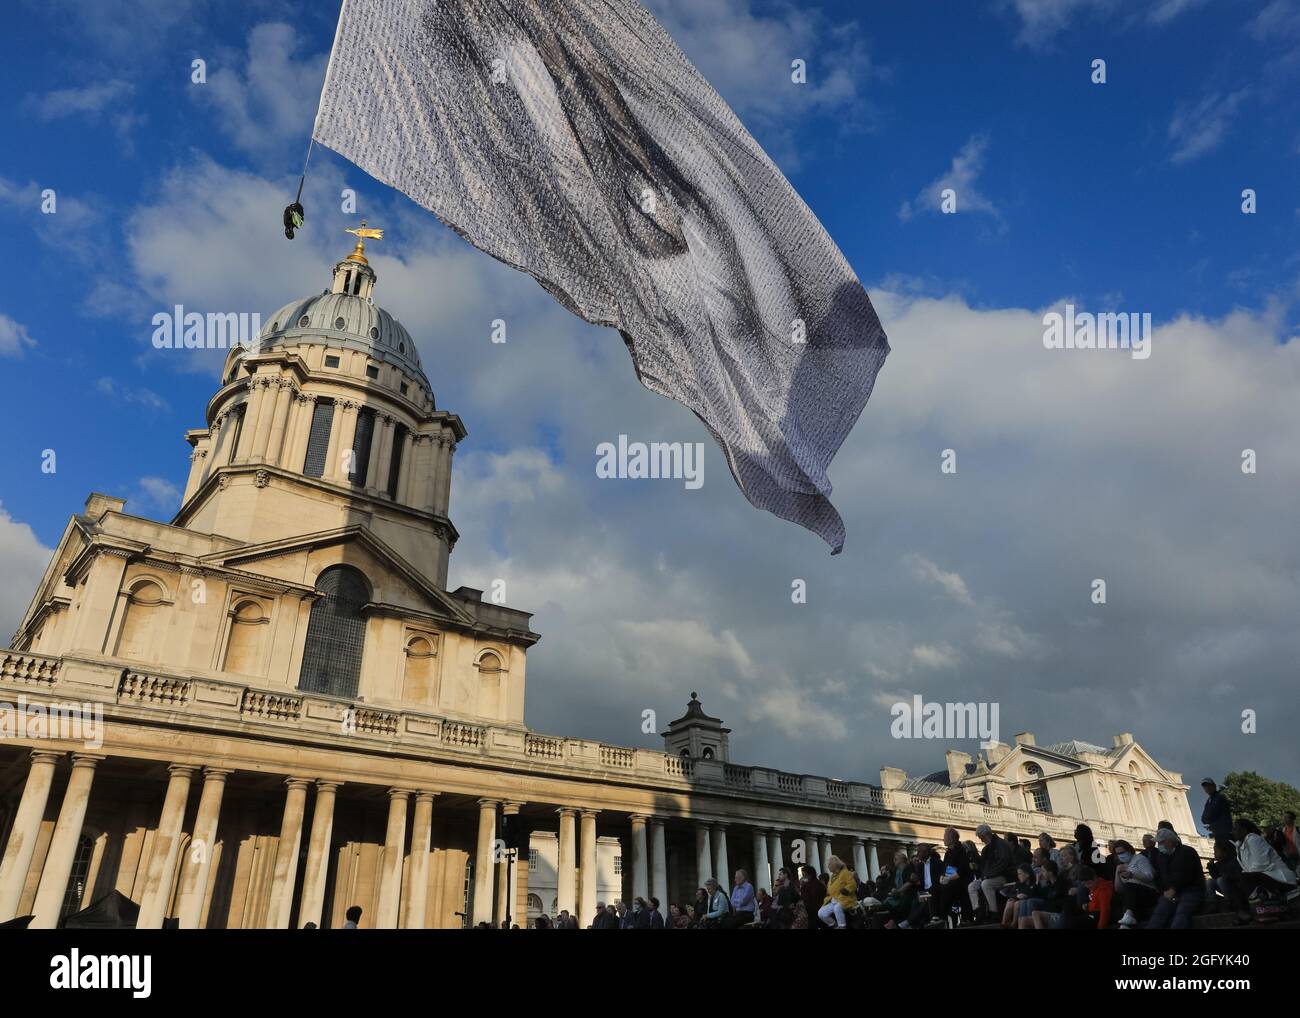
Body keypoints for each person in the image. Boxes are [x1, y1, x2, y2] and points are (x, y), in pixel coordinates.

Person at [1227, 818, 1297, 920]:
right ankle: (1244, 911)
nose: (1232, 831)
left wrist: (1244, 877)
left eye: (1235, 828)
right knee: (1233, 880)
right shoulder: (1239, 846)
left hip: (1280, 879)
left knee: (1243, 878)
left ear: (1245, 830)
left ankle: (1245, 912)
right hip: (1265, 879)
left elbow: (1261, 864)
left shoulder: (1253, 839)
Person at [1145, 828, 1205, 929]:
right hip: (1170, 892)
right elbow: (1159, 876)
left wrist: (1173, 890)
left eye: (1161, 842)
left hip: (1191, 890)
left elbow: (1186, 875)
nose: (1158, 845)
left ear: (1169, 841)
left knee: (1182, 913)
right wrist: (1165, 891)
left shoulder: (1187, 851)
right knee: (1158, 914)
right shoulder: (1162, 856)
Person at [969, 824, 1014, 921]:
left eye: (981, 837)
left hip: (1002, 876)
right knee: (972, 886)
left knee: (986, 884)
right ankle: (978, 912)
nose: (980, 839)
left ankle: (994, 912)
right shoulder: (985, 849)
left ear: (985, 834)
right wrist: (977, 867)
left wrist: (988, 875)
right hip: (988, 876)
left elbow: (1003, 862)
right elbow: (983, 866)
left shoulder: (1001, 844)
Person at [1112, 839, 1159, 928]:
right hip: (1134, 897)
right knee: (1122, 893)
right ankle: (1126, 922)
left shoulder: (1139, 859)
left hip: (1149, 892)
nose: (1120, 855)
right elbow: (1119, 889)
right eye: (1118, 854)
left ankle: (1128, 915)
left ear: (1129, 850)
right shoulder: (1122, 866)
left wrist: (1132, 875)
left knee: (1129, 886)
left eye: (1122, 852)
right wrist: (1117, 873)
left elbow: (1150, 876)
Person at [818, 855, 857, 929]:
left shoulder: (845, 872)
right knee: (821, 913)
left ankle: (842, 926)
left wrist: (846, 890)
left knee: (837, 908)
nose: (828, 867)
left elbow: (853, 884)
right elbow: (830, 888)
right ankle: (834, 925)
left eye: (829, 865)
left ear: (834, 865)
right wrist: (828, 893)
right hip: (833, 900)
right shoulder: (832, 876)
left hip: (845, 899)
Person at [999, 863, 1036, 928]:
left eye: (1020, 874)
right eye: (1018, 874)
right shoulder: (1018, 884)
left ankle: (1014, 924)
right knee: (1010, 902)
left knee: (1017, 904)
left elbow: (1034, 894)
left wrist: (1025, 896)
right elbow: (1011, 894)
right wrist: (1016, 896)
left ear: (1027, 875)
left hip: (1026, 901)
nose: (1018, 876)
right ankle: (1003, 923)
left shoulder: (1033, 883)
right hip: (1016, 900)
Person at [795, 864, 825, 930]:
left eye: (804, 875)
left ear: (810, 875)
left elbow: (811, 898)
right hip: (810, 910)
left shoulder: (816, 884)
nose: (803, 877)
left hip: (815, 909)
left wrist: (802, 888)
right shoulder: (808, 884)